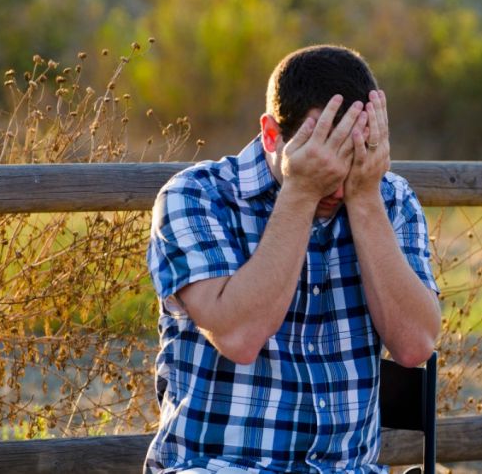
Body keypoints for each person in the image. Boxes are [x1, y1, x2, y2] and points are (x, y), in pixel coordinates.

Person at [145, 45, 441, 473]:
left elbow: (416, 346)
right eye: (322, 155)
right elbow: (239, 337)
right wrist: (301, 192)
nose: (336, 186)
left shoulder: (388, 198)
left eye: (353, 155)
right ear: (271, 135)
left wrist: (365, 199)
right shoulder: (197, 196)